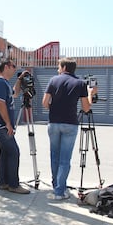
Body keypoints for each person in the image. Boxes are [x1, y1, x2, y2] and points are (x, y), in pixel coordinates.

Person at [42, 57, 96, 200]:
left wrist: (53, 109)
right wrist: (90, 94)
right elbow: (86, 108)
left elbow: (44, 102)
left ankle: (56, 187)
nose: (57, 69)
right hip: (70, 124)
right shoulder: (80, 83)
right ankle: (60, 190)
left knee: (55, 156)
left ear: (64, 67)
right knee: (65, 159)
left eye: (59, 66)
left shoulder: (53, 80)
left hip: (53, 123)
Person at [0, 59, 30, 194]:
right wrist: (7, 123)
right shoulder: (0, 83)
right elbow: (0, 103)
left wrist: (19, 79)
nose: (14, 68)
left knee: (5, 152)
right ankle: (13, 184)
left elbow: (15, 93)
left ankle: (3, 182)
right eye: (13, 66)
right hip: (1, 126)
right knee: (14, 152)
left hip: (1, 126)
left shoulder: (5, 84)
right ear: (6, 67)